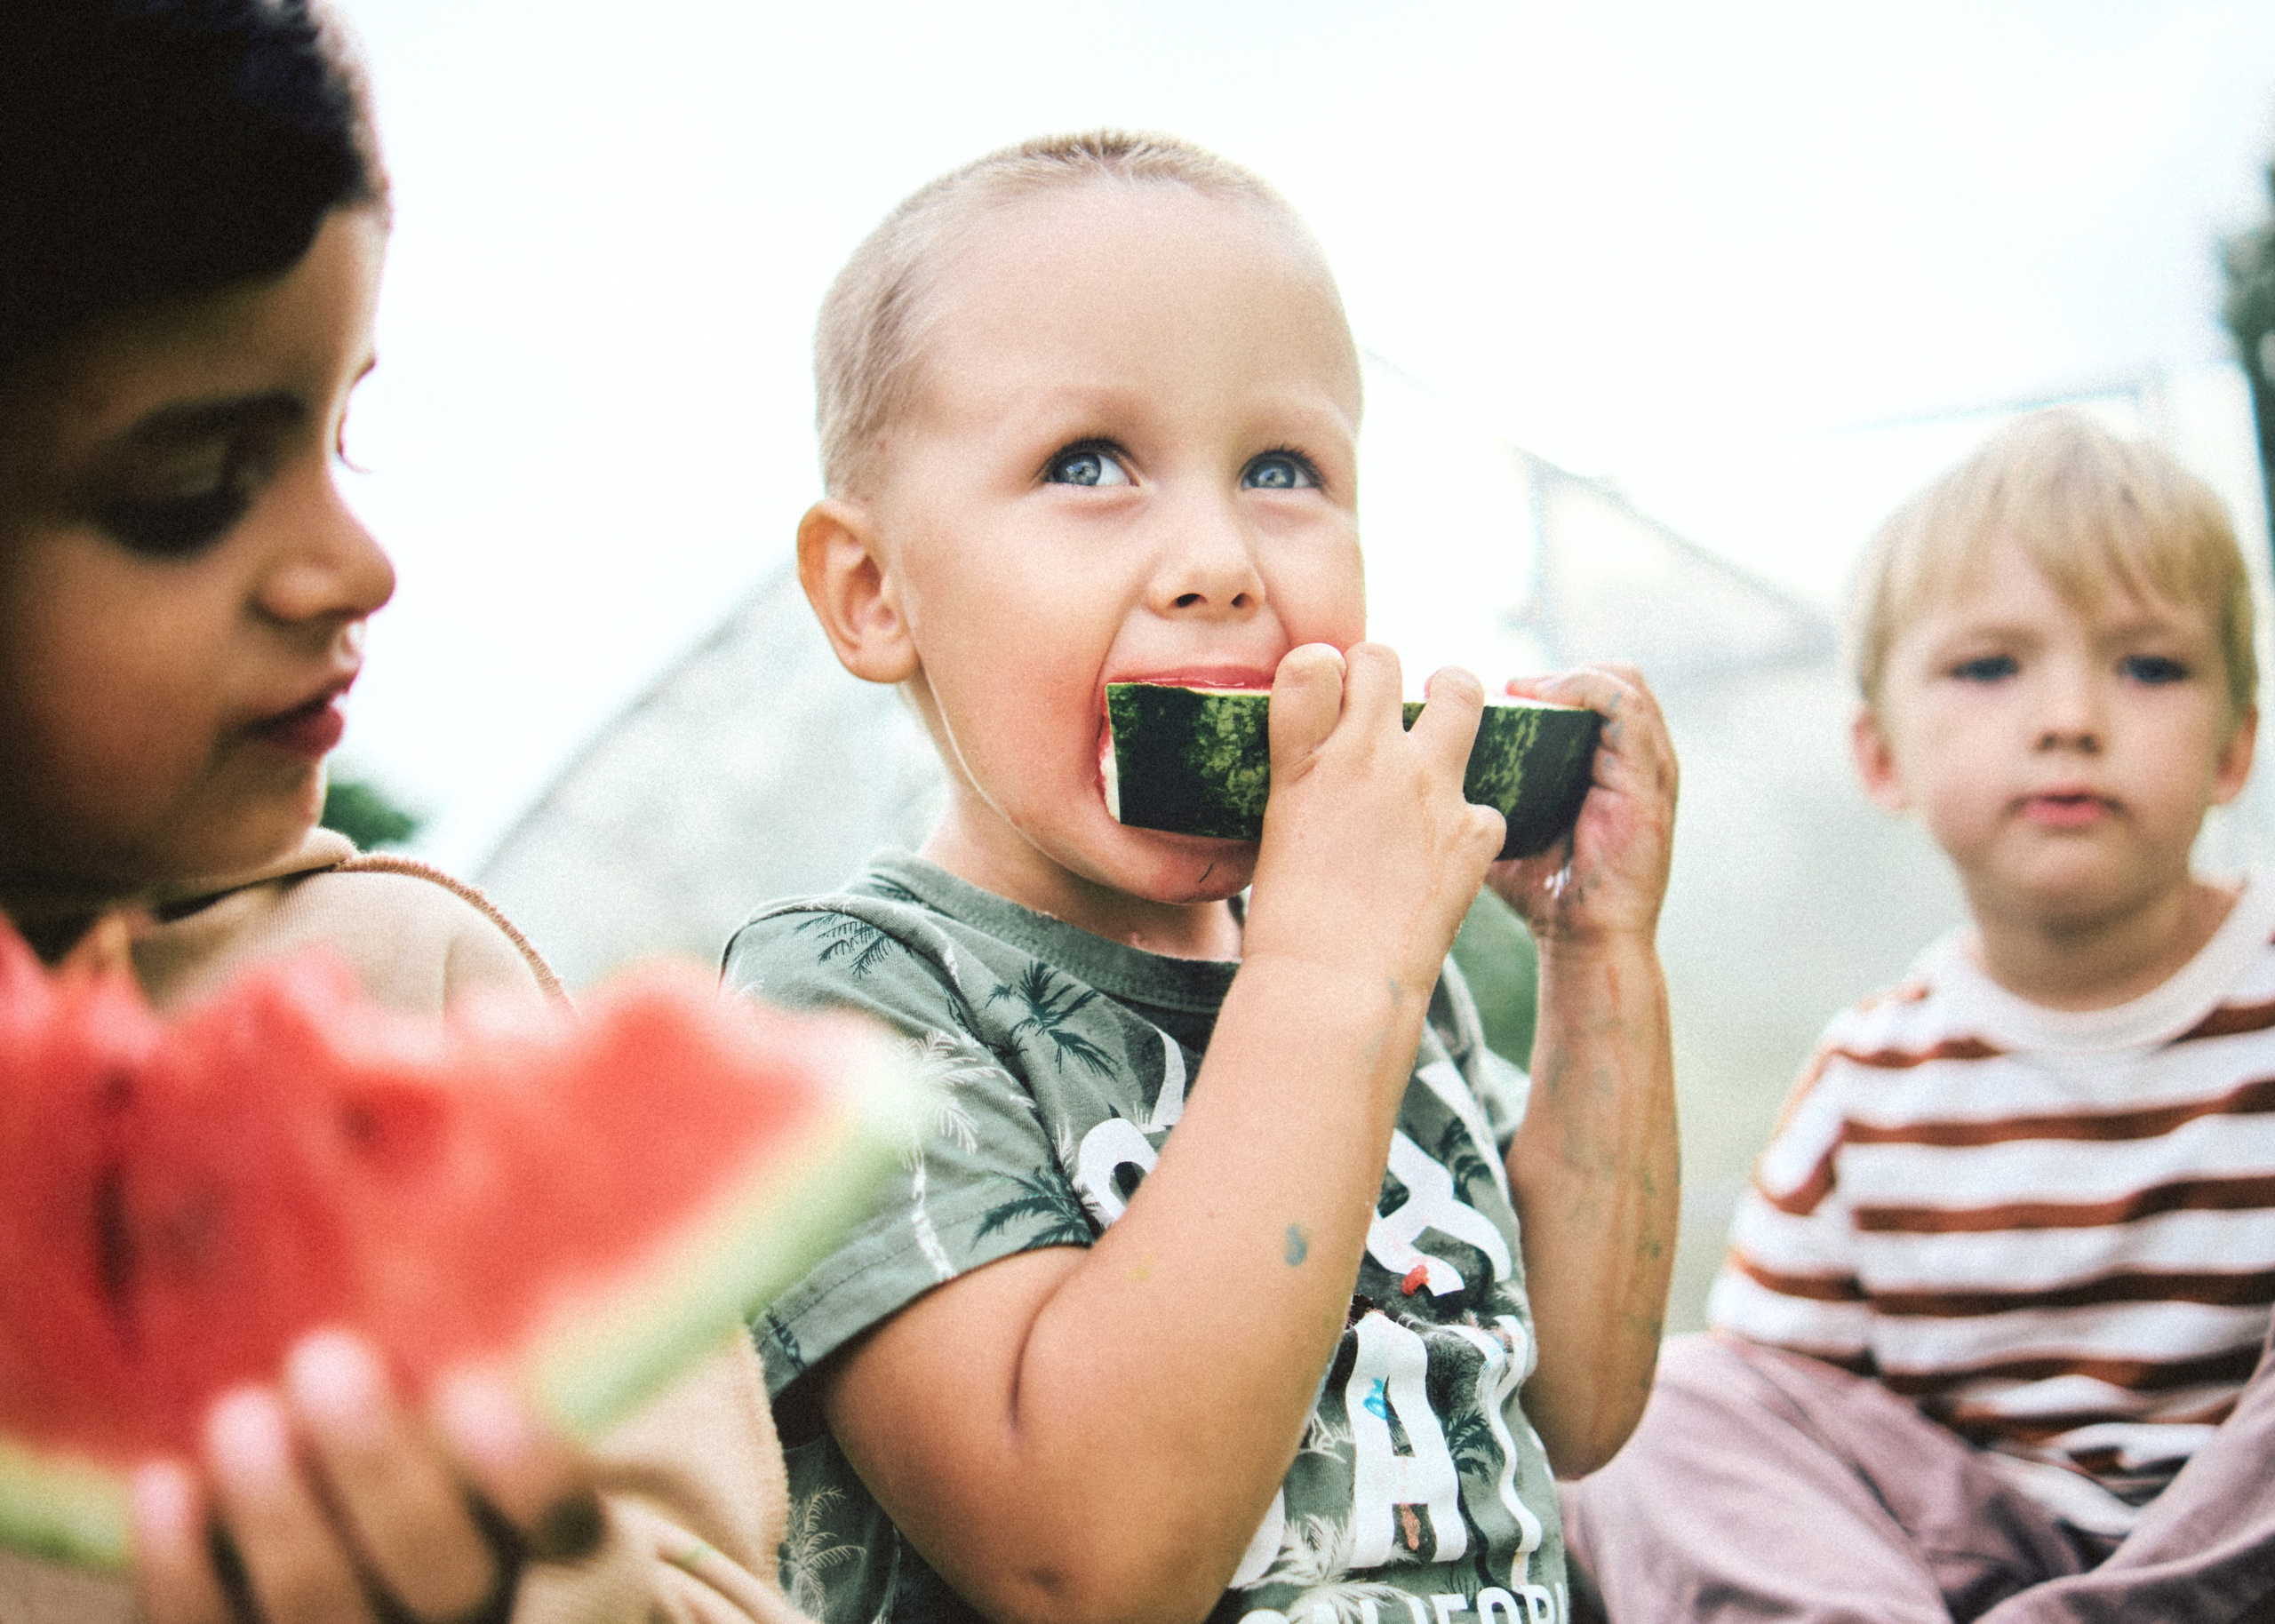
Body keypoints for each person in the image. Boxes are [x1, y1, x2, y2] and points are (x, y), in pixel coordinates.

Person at [723, 131, 1682, 1624]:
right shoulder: (846, 1002)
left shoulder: (1376, 973)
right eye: (1086, 464)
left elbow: (1578, 1403)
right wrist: (1331, 976)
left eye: (1283, 469)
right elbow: (1081, 1557)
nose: (1221, 558)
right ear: (875, 591)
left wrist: (1597, 957)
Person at [0, 4, 802, 1620]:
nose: (357, 564)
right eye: (190, 494)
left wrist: (523, 1598)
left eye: (339, 429)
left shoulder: (410, 977)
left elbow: (723, 1587)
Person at [1561, 410, 2275, 1623]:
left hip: (2231, 1563)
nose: (2069, 719)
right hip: (1955, 1569)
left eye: (2148, 665)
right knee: (1670, 1407)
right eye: (1990, 666)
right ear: (1882, 755)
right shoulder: (1871, 1081)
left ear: (2233, 751)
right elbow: (1774, 1415)